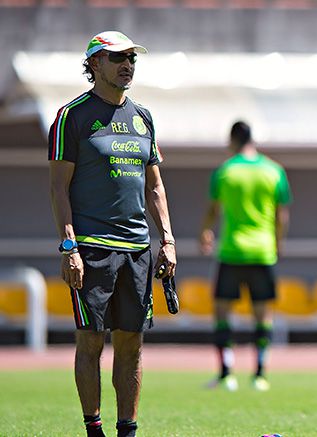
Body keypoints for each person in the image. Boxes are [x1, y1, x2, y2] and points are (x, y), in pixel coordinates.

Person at [48, 31, 176, 437]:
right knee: (90, 342)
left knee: (132, 345)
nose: (127, 65)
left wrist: (167, 240)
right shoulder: (73, 116)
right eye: (118, 58)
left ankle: (127, 431)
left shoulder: (144, 117)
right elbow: (57, 187)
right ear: (94, 64)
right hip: (92, 250)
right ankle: (94, 429)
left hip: (137, 250)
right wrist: (69, 245)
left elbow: (155, 186)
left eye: (132, 59)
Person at [200, 121, 292, 392]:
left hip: (231, 251)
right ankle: (260, 375)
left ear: (233, 139)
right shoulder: (274, 171)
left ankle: (226, 374)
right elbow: (282, 215)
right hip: (263, 252)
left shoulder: (225, 171)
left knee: (221, 313)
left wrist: (205, 231)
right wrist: (278, 242)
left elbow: (213, 210)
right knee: (263, 316)